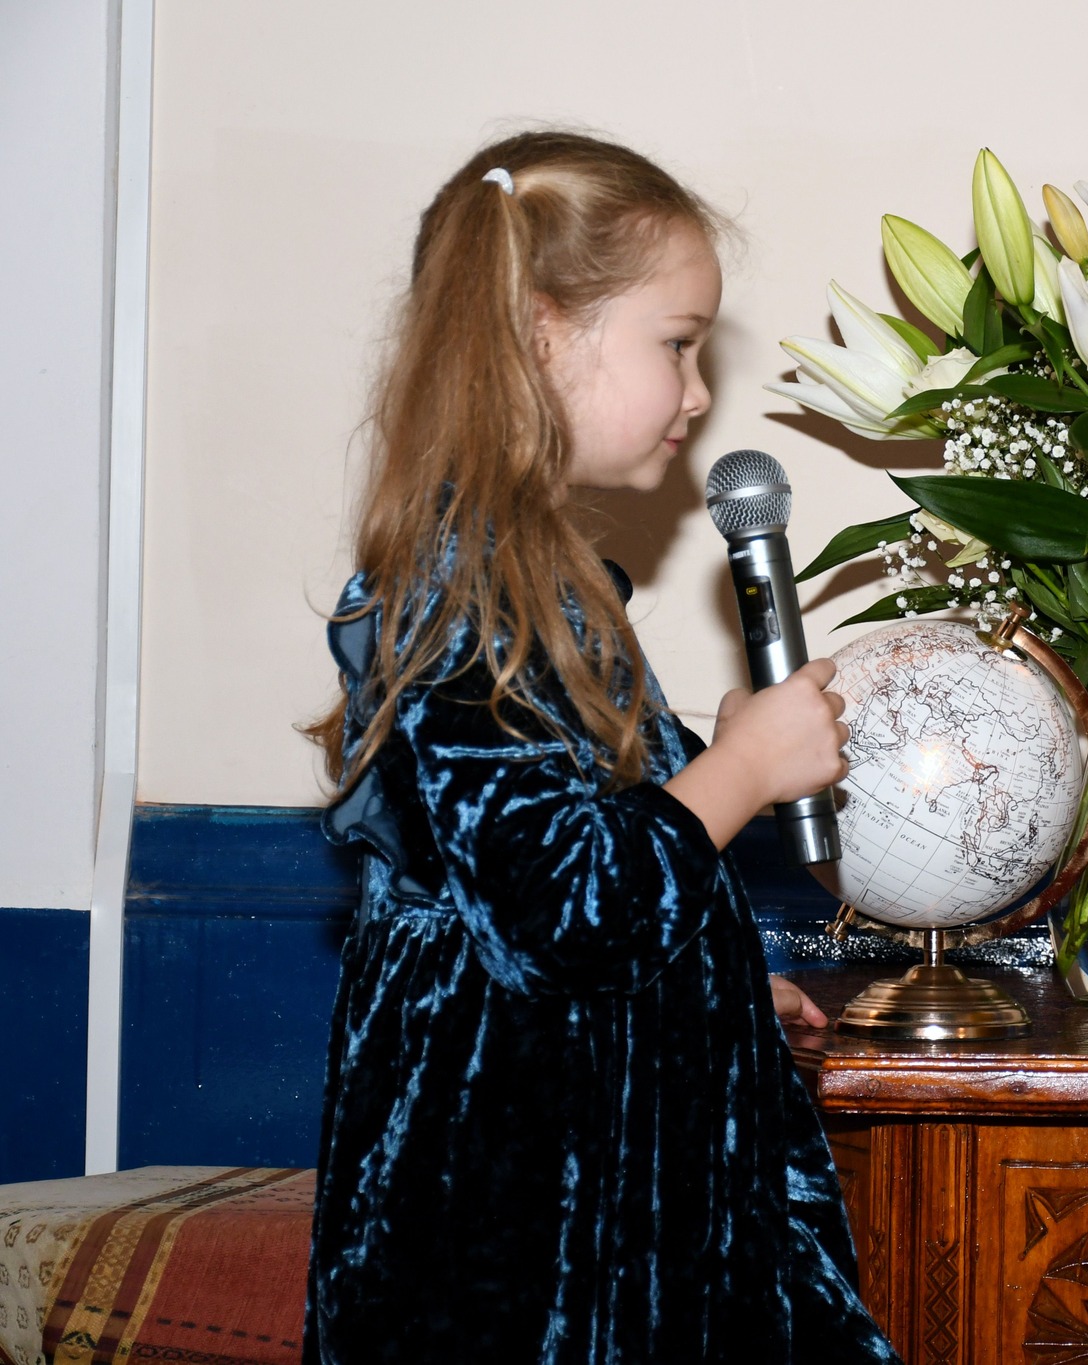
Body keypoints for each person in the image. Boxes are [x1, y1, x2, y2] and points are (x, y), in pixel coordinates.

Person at [301, 131, 898, 1363]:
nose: (699, 393)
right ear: (542, 336)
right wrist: (740, 771)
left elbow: (580, 885)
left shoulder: (541, 588)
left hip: (590, 1178)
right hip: (504, 1228)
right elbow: (563, 910)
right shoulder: (456, 596)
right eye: (676, 345)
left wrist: (710, 983)